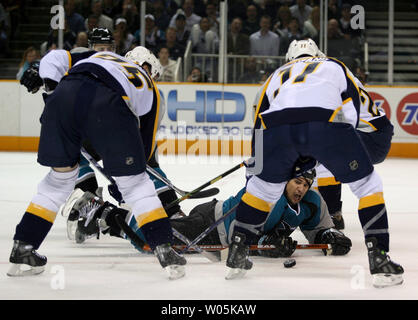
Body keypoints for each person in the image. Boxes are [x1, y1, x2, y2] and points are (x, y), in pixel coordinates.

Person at [225, 38, 403, 287]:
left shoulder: (276, 74)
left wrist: (258, 171)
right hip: (324, 125)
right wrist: (349, 146)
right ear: (319, 53)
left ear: (289, 59)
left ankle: (237, 252)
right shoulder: (335, 65)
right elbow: (361, 109)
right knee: (368, 185)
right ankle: (380, 259)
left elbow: (258, 127)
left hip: (276, 130)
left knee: (261, 191)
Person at [8, 45, 186, 280]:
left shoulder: (99, 56)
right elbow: (142, 155)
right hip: (108, 107)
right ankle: (164, 248)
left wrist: (51, 87)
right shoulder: (150, 88)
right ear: (149, 67)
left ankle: (24, 246)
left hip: (62, 99)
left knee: (58, 181)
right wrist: (124, 179)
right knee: (136, 184)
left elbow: (56, 57)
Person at [59, 160, 352, 259]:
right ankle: (100, 212)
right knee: (157, 241)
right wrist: (264, 243)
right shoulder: (266, 195)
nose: (301, 189)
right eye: (297, 182)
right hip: (212, 225)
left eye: (306, 183)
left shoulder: (313, 201)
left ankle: (150, 207)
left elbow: (319, 229)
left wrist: (330, 236)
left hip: (211, 219)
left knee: (167, 228)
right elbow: (242, 232)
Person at [315, 74, 394, 230]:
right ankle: (331, 212)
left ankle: (331, 213)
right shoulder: (335, 73)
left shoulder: (327, 80)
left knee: (323, 147)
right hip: (375, 134)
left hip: (370, 137)